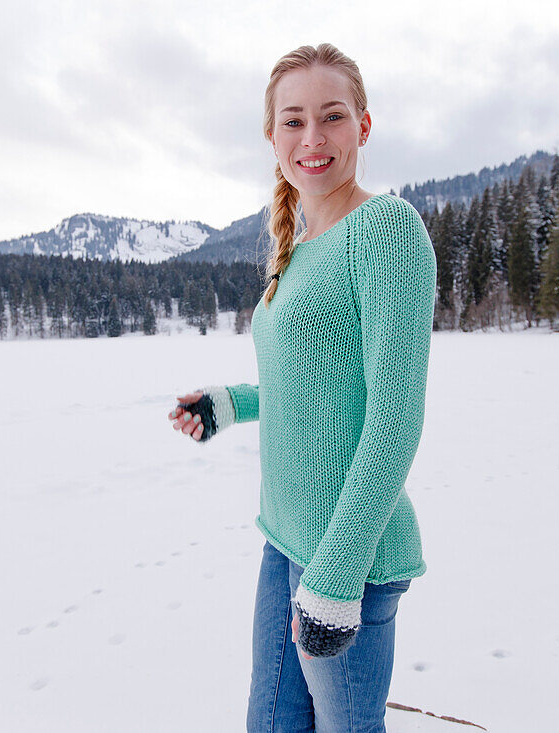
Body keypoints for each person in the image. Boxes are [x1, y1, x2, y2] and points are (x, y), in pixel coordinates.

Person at [167, 42, 436, 733]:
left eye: (332, 116)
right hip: (284, 539)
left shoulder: (386, 229)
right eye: (293, 121)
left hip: (348, 559)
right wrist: (229, 403)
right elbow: (309, 383)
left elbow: (394, 416)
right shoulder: (300, 246)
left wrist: (338, 575)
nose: (312, 139)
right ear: (272, 136)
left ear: (364, 127)